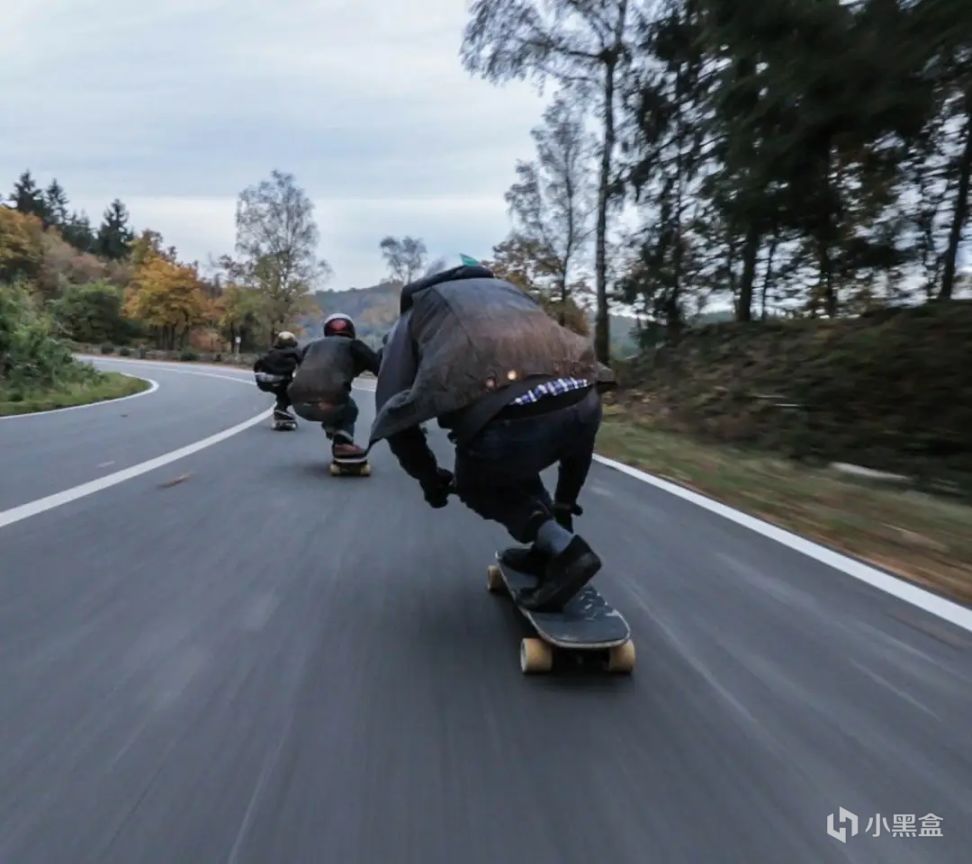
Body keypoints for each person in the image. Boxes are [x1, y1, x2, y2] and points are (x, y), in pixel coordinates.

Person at [370, 260, 614, 612]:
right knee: (524, 447)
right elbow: (568, 404)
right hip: (585, 398)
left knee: (476, 482)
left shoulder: (415, 314)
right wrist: (564, 502)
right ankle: (550, 542)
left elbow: (394, 414)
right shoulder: (511, 295)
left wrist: (428, 478)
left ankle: (566, 551)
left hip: (512, 421)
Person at [288, 313, 379, 459]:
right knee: (350, 408)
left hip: (298, 403)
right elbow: (379, 367)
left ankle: (331, 427)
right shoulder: (354, 345)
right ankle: (342, 444)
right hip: (332, 400)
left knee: (333, 401)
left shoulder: (311, 346)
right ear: (351, 330)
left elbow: (303, 369)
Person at [253, 331, 302, 426]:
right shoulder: (295, 352)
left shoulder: (271, 351)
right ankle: (280, 408)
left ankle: (280, 410)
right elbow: (304, 364)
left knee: (282, 392)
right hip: (282, 380)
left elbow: (257, 365)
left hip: (264, 381)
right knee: (294, 391)